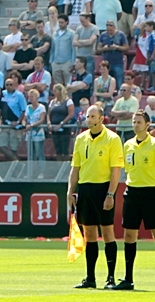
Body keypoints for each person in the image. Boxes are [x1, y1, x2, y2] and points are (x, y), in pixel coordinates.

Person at [68, 105, 124, 289]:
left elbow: (115, 171)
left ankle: (110, 278)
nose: (89, 119)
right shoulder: (80, 139)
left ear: (102, 119)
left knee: (107, 232)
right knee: (89, 233)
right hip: (85, 188)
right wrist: (70, 191)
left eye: (93, 116)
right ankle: (90, 277)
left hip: (102, 189)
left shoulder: (112, 139)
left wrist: (110, 194)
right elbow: (75, 168)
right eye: (87, 116)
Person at [118, 110, 155, 290]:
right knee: (129, 235)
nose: (135, 125)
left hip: (150, 193)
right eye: (134, 122)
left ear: (147, 125)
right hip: (132, 192)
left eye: (139, 122)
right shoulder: (127, 145)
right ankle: (128, 278)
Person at [0, 78, 27, 161]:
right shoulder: (3, 94)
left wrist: (18, 122)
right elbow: (0, 109)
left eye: (10, 85)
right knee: (1, 146)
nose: (9, 86)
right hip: (5, 125)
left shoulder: (19, 95)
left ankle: (17, 169)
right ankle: (17, 163)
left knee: (14, 148)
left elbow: (24, 110)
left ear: (14, 86)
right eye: (7, 85)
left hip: (15, 126)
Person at [97, 20, 130, 90]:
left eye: (111, 30)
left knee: (119, 83)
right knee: (106, 83)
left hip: (118, 62)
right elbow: (98, 49)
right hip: (106, 63)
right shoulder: (103, 35)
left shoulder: (121, 35)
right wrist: (104, 48)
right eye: (108, 30)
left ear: (114, 27)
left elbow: (126, 48)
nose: (109, 32)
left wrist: (117, 47)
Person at [23, 88, 48, 177]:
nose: (31, 98)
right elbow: (25, 119)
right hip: (29, 134)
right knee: (30, 154)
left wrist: (32, 125)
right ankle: (31, 172)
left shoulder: (41, 107)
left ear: (37, 97)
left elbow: (42, 120)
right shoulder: (28, 107)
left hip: (38, 133)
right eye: (29, 96)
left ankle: (42, 172)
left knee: (39, 152)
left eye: (32, 96)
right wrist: (24, 124)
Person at [47, 83, 75, 161]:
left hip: (64, 129)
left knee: (65, 149)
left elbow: (70, 114)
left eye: (55, 90)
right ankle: (59, 165)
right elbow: (49, 114)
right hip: (54, 128)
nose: (54, 92)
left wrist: (61, 124)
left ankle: (66, 166)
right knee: (57, 149)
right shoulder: (52, 102)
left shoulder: (68, 101)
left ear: (60, 91)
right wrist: (49, 123)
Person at [50, 15, 76, 86]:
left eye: (62, 22)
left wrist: (73, 63)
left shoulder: (71, 34)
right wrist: (51, 61)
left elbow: (73, 49)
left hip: (67, 62)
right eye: (59, 22)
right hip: (56, 62)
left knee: (68, 85)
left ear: (67, 22)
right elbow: (52, 48)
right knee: (58, 86)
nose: (60, 24)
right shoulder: (55, 34)